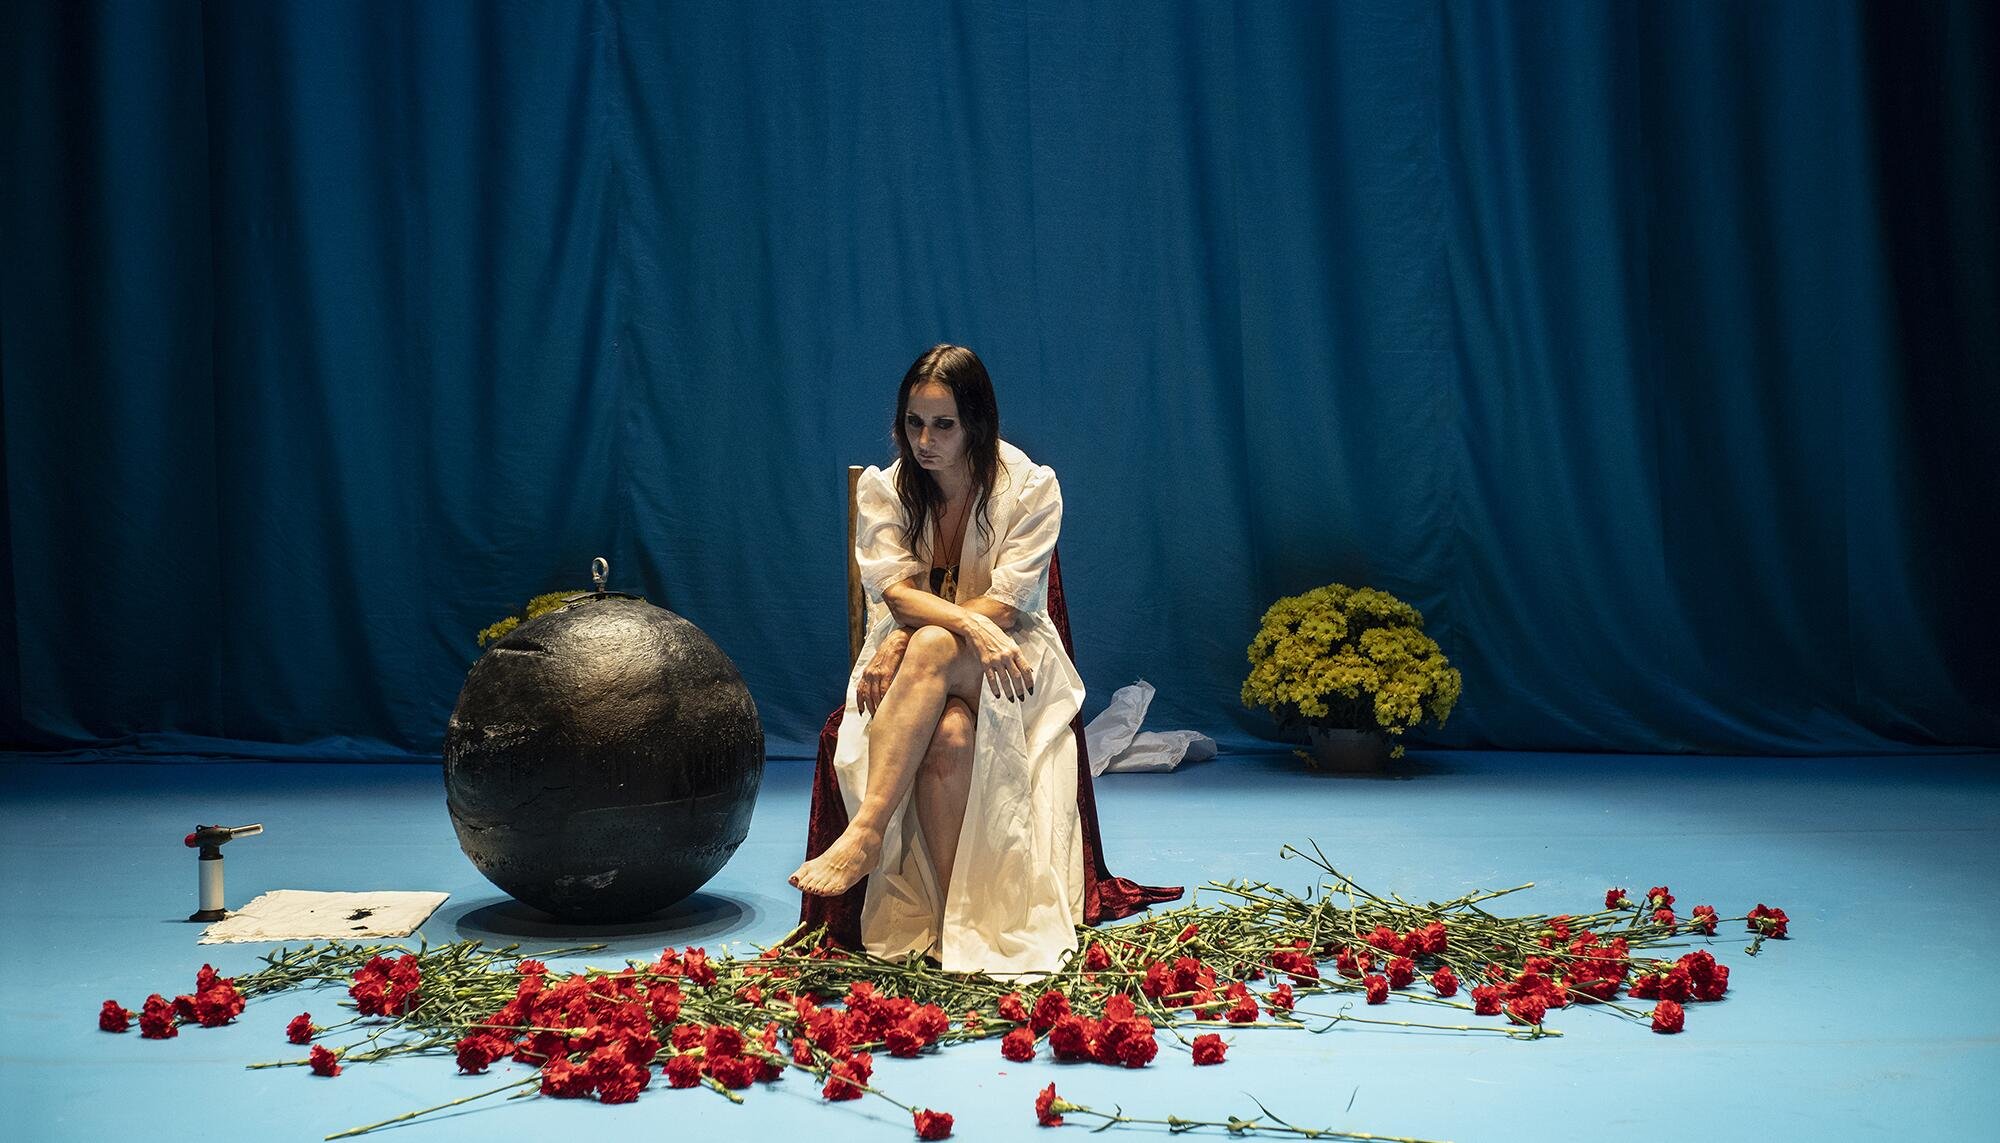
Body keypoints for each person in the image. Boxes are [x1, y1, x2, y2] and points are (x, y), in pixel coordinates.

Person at [788, 344, 1090, 976]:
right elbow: (894, 594)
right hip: (928, 656)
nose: (924, 441)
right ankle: (958, 922)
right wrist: (923, 632)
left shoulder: (1031, 488)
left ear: (976, 423)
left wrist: (918, 635)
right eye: (913, 423)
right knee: (949, 735)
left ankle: (866, 832)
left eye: (943, 425)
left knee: (928, 642)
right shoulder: (887, 489)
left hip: (1011, 660)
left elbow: (1005, 608)